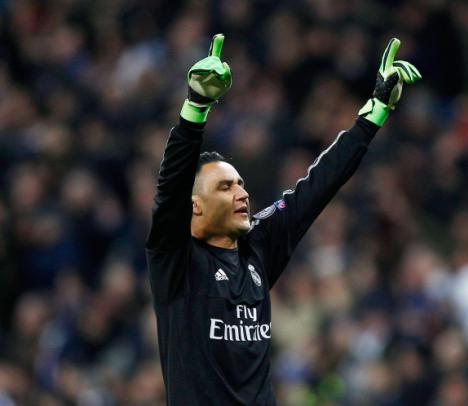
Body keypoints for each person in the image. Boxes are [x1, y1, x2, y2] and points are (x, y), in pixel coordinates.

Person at [145, 33, 421, 405]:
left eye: (241, 184)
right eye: (225, 187)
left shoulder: (257, 247)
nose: (242, 193)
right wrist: (196, 107)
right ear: (194, 206)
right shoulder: (175, 260)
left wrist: (373, 114)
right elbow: (170, 190)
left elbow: (315, 188)